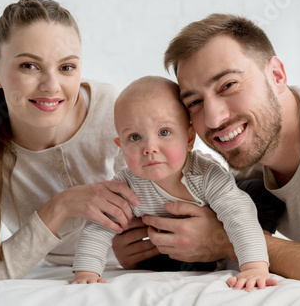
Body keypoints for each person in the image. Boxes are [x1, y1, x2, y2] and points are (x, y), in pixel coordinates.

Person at [115, 13, 300, 293]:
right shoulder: (243, 162)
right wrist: (149, 248)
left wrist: (228, 240)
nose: (215, 119)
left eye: (228, 85)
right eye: (194, 102)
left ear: (277, 75)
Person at [0, 0, 139, 290]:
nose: (51, 86)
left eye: (66, 68)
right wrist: (60, 207)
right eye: (29, 66)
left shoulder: (115, 110)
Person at [71, 76, 278, 291]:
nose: (150, 147)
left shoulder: (206, 176)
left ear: (189, 139)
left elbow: (239, 215)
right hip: (176, 247)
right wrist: (87, 272)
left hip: (221, 223)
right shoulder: (127, 187)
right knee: (160, 258)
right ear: (120, 146)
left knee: (257, 193)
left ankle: (250, 253)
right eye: (134, 137)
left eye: (164, 132)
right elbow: (98, 226)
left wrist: (254, 268)